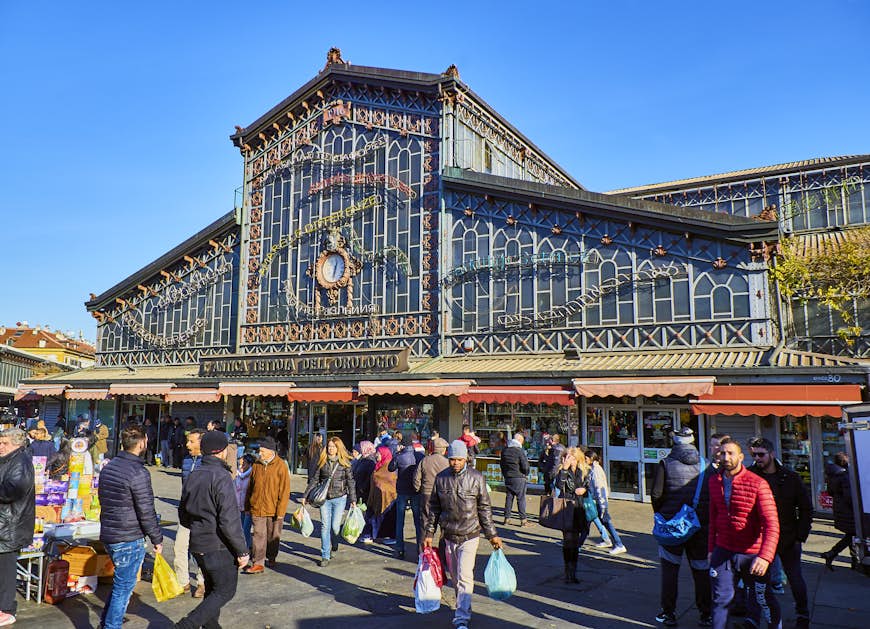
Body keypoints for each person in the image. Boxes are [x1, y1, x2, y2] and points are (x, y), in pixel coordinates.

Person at [423, 440, 501, 629]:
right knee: (456, 578)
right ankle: (463, 606)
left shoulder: (476, 478)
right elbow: (434, 508)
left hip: (470, 535)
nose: (456, 463)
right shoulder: (441, 478)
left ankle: (461, 617)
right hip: (449, 535)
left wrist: (492, 535)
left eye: (459, 459)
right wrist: (429, 532)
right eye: (452, 459)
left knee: (465, 576)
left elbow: (484, 508)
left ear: (465, 458)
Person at [175, 430, 249, 629]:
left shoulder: (194, 474)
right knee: (225, 591)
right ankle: (186, 625)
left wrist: (196, 526)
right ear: (222, 451)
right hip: (218, 546)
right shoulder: (222, 477)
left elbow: (183, 512)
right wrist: (242, 550)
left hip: (198, 543)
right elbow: (229, 519)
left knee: (212, 591)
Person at [708, 437, 780, 629]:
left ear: (741, 457)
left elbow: (771, 523)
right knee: (720, 599)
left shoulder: (757, 483)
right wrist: (710, 549)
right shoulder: (714, 481)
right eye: (722, 453)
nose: (726, 457)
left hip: (752, 553)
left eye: (730, 453)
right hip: (723, 549)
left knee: (762, 598)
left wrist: (765, 557)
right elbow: (713, 518)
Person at [98, 424, 162, 629]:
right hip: (128, 537)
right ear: (142, 443)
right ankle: (111, 626)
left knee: (120, 585)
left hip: (110, 533)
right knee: (123, 588)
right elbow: (146, 510)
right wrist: (157, 538)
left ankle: (106, 623)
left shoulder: (109, 467)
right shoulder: (138, 473)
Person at [747, 437, 811, 628]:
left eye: (761, 454)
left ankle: (802, 615)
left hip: (787, 536)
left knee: (795, 577)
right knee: (758, 580)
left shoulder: (790, 477)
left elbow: (806, 508)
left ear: (772, 454)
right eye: (754, 455)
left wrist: (800, 535)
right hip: (760, 537)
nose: (757, 458)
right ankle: (753, 617)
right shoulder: (750, 475)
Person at [650, 427, 711, 627]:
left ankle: (668, 613)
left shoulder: (666, 464)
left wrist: (662, 513)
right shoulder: (706, 464)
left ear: (674, 442)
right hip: (700, 525)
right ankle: (706, 613)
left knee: (670, 570)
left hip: (672, 525)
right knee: (701, 570)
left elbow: (656, 494)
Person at [302, 436, 356, 567]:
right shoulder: (323, 461)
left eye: (333, 447)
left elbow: (350, 481)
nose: (331, 449)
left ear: (338, 448)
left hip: (340, 497)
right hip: (324, 498)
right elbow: (315, 479)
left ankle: (335, 542)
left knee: (335, 526)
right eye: (329, 446)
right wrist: (305, 495)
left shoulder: (344, 463)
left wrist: (353, 499)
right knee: (325, 526)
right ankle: (325, 555)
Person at [0, 428, 35, 626]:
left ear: (17, 444)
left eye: (5, 443)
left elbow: (11, 491)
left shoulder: (21, 462)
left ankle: (6, 610)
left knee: (6, 570)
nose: (1, 446)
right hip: (4, 523)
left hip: (10, 525)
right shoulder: (7, 460)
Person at [243, 437, 290, 573]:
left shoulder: (281, 466)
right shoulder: (256, 465)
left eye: (262, 451)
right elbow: (250, 487)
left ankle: (271, 556)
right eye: (260, 450)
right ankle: (258, 562)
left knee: (272, 536)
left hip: (274, 508)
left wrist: (281, 511)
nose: (260, 453)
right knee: (258, 534)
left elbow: (285, 490)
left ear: (271, 451)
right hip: (257, 506)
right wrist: (247, 506)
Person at [175, 428, 206, 596]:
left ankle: (202, 582)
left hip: (202, 514)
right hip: (186, 512)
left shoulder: (208, 462)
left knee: (202, 550)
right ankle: (183, 582)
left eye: (192, 441)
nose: (187, 444)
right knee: (179, 547)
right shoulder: (186, 460)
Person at [555, 447, 591, 583]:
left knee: (575, 542)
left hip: (579, 509)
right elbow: (559, 486)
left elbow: (588, 487)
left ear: (578, 459)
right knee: (568, 540)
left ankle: (573, 572)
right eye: (567, 457)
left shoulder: (583, 471)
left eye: (573, 458)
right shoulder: (562, 470)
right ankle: (567, 572)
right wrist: (564, 469)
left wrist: (584, 490)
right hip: (567, 508)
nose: (570, 460)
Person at [388, 434, 424, 559]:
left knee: (400, 521)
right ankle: (420, 549)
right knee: (418, 521)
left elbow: (390, 468)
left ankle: (399, 548)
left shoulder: (399, 456)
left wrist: (396, 454)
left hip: (402, 490)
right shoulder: (419, 456)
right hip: (415, 490)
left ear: (403, 445)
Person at [821, 452, 856, 571]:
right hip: (848, 511)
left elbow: (830, 492)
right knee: (853, 534)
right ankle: (832, 553)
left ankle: (853, 560)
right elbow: (849, 497)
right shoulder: (844, 476)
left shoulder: (833, 475)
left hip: (840, 509)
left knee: (851, 535)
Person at [587, 450, 626, 555]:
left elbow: (600, 488)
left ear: (591, 459)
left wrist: (602, 505)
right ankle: (608, 540)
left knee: (606, 522)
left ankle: (619, 544)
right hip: (598, 501)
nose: (584, 460)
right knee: (602, 522)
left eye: (586, 458)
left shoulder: (596, 471)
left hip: (600, 502)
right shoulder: (593, 469)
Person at [365, 445, 398, 543]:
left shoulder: (389, 466)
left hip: (388, 498)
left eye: (378, 453)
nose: (376, 455)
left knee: (388, 517)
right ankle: (372, 535)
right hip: (376, 497)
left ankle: (391, 537)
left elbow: (391, 481)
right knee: (374, 516)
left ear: (384, 454)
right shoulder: (378, 465)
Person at [500, 432, 531, 527]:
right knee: (521, 499)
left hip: (508, 477)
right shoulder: (519, 451)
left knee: (509, 498)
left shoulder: (505, 451)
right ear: (520, 441)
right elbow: (525, 466)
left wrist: (505, 474)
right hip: (519, 477)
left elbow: (502, 464)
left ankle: (506, 519)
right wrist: (525, 473)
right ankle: (523, 520)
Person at [234, 454, 255, 551]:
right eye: (239, 464)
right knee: (240, 530)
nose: (240, 466)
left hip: (248, 509)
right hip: (238, 507)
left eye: (243, 464)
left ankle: (244, 551)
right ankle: (248, 547)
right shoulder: (236, 476)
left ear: (250, 464)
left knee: (245, 530)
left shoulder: (252, 475)